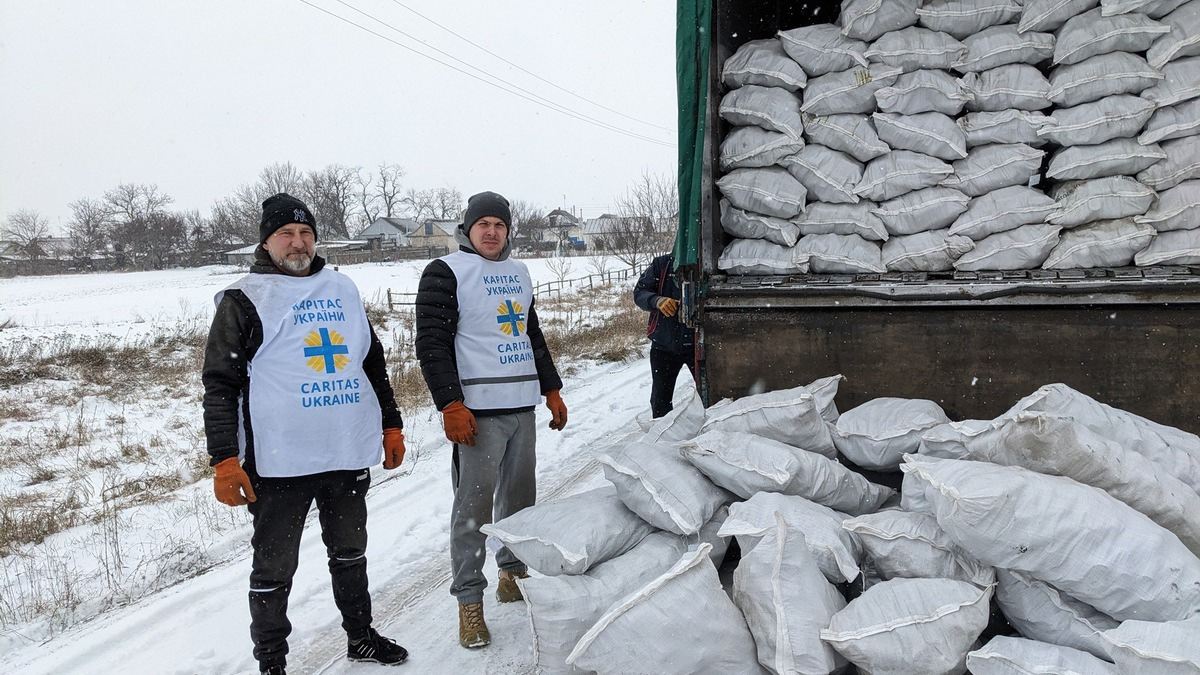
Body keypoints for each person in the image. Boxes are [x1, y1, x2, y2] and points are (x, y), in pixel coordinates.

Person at [203, 193, 409, 675]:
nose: (298, 243)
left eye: (306, 234)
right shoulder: (244, 298)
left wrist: (391, 421)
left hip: (343, 451)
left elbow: (370, 361)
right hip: (279, 461)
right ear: (266, 240)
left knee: (350, 553)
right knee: (274, 570)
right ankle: (272, 663)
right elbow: (220, 383)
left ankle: (360, 637)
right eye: (286, 234)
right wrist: (225, 459)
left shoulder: (342, 288)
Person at [414, 190, 568, 650]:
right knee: (473, 512)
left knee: (520, 503)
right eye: (483, 224)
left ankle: (511, 573)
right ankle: (468, 602)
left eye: (499, 225)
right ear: (467, 228)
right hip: (477, 416)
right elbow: (432, 344)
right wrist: (450, 404)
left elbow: (529, 333)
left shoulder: (519, 273)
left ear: (508, 230)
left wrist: (551, 388)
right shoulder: (446, 272)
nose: (491, 232)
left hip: (521, 408)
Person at [634, 253, 697, 418]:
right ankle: (662, 439)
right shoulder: (662, 265)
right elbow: (640, 292)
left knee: (711, 398)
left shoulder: (707, 265)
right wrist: (657, 300)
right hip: (664, 345)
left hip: (699, 345)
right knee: (660, 402)